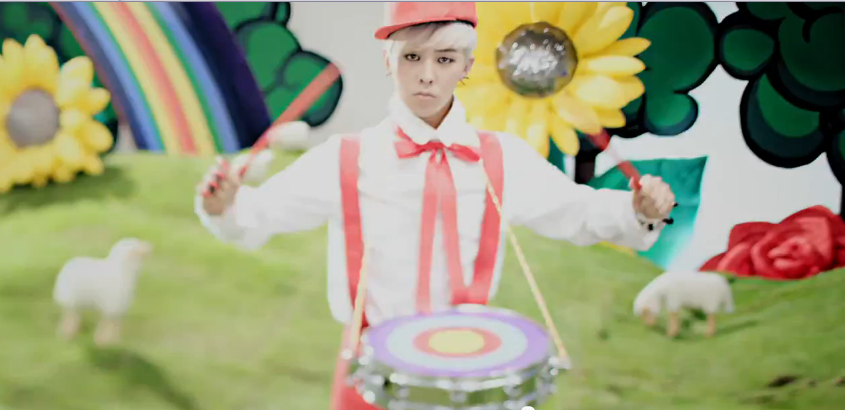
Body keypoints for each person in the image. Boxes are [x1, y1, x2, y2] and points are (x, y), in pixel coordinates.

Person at [195, 2, 676, 409]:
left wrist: (641, 211)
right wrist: (224, 206)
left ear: (467, 65)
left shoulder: (501, 157)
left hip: (474, 371)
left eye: (445, 59)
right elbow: (256, 216)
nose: (427, 74)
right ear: (389, 60)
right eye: (412, 56)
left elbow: (579, 213)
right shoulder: (347, 158)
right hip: (374, 376)